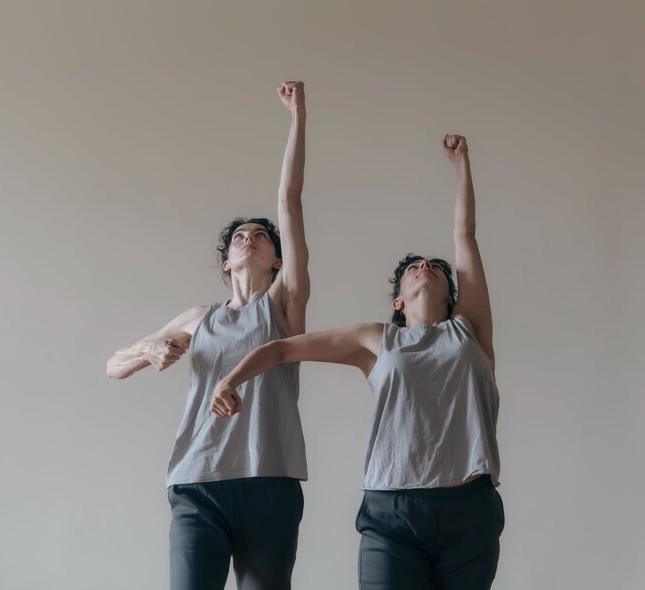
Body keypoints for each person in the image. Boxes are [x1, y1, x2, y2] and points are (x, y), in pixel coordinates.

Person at [211, 134, 504, 589]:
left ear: (452, 292)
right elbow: (284, 348)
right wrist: (229, 379)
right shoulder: (377, 339)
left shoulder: (471, 330)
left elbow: (465, 235)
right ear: (398, 300)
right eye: (413, 268)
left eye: (435, 267)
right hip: (392, 511)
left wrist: (462, 163)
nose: (425, 266)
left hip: (470, 508)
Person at [106, 81, 311, 590]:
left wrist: (298, 119)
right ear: (226, 259)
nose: (250, 238)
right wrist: (145, 350)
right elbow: (112, 365)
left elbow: (290, 201)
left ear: (277, 259)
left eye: (260, 235)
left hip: (270, 480)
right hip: (198, 482)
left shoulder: (284, 303)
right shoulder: (200, 316)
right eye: (239, 235)